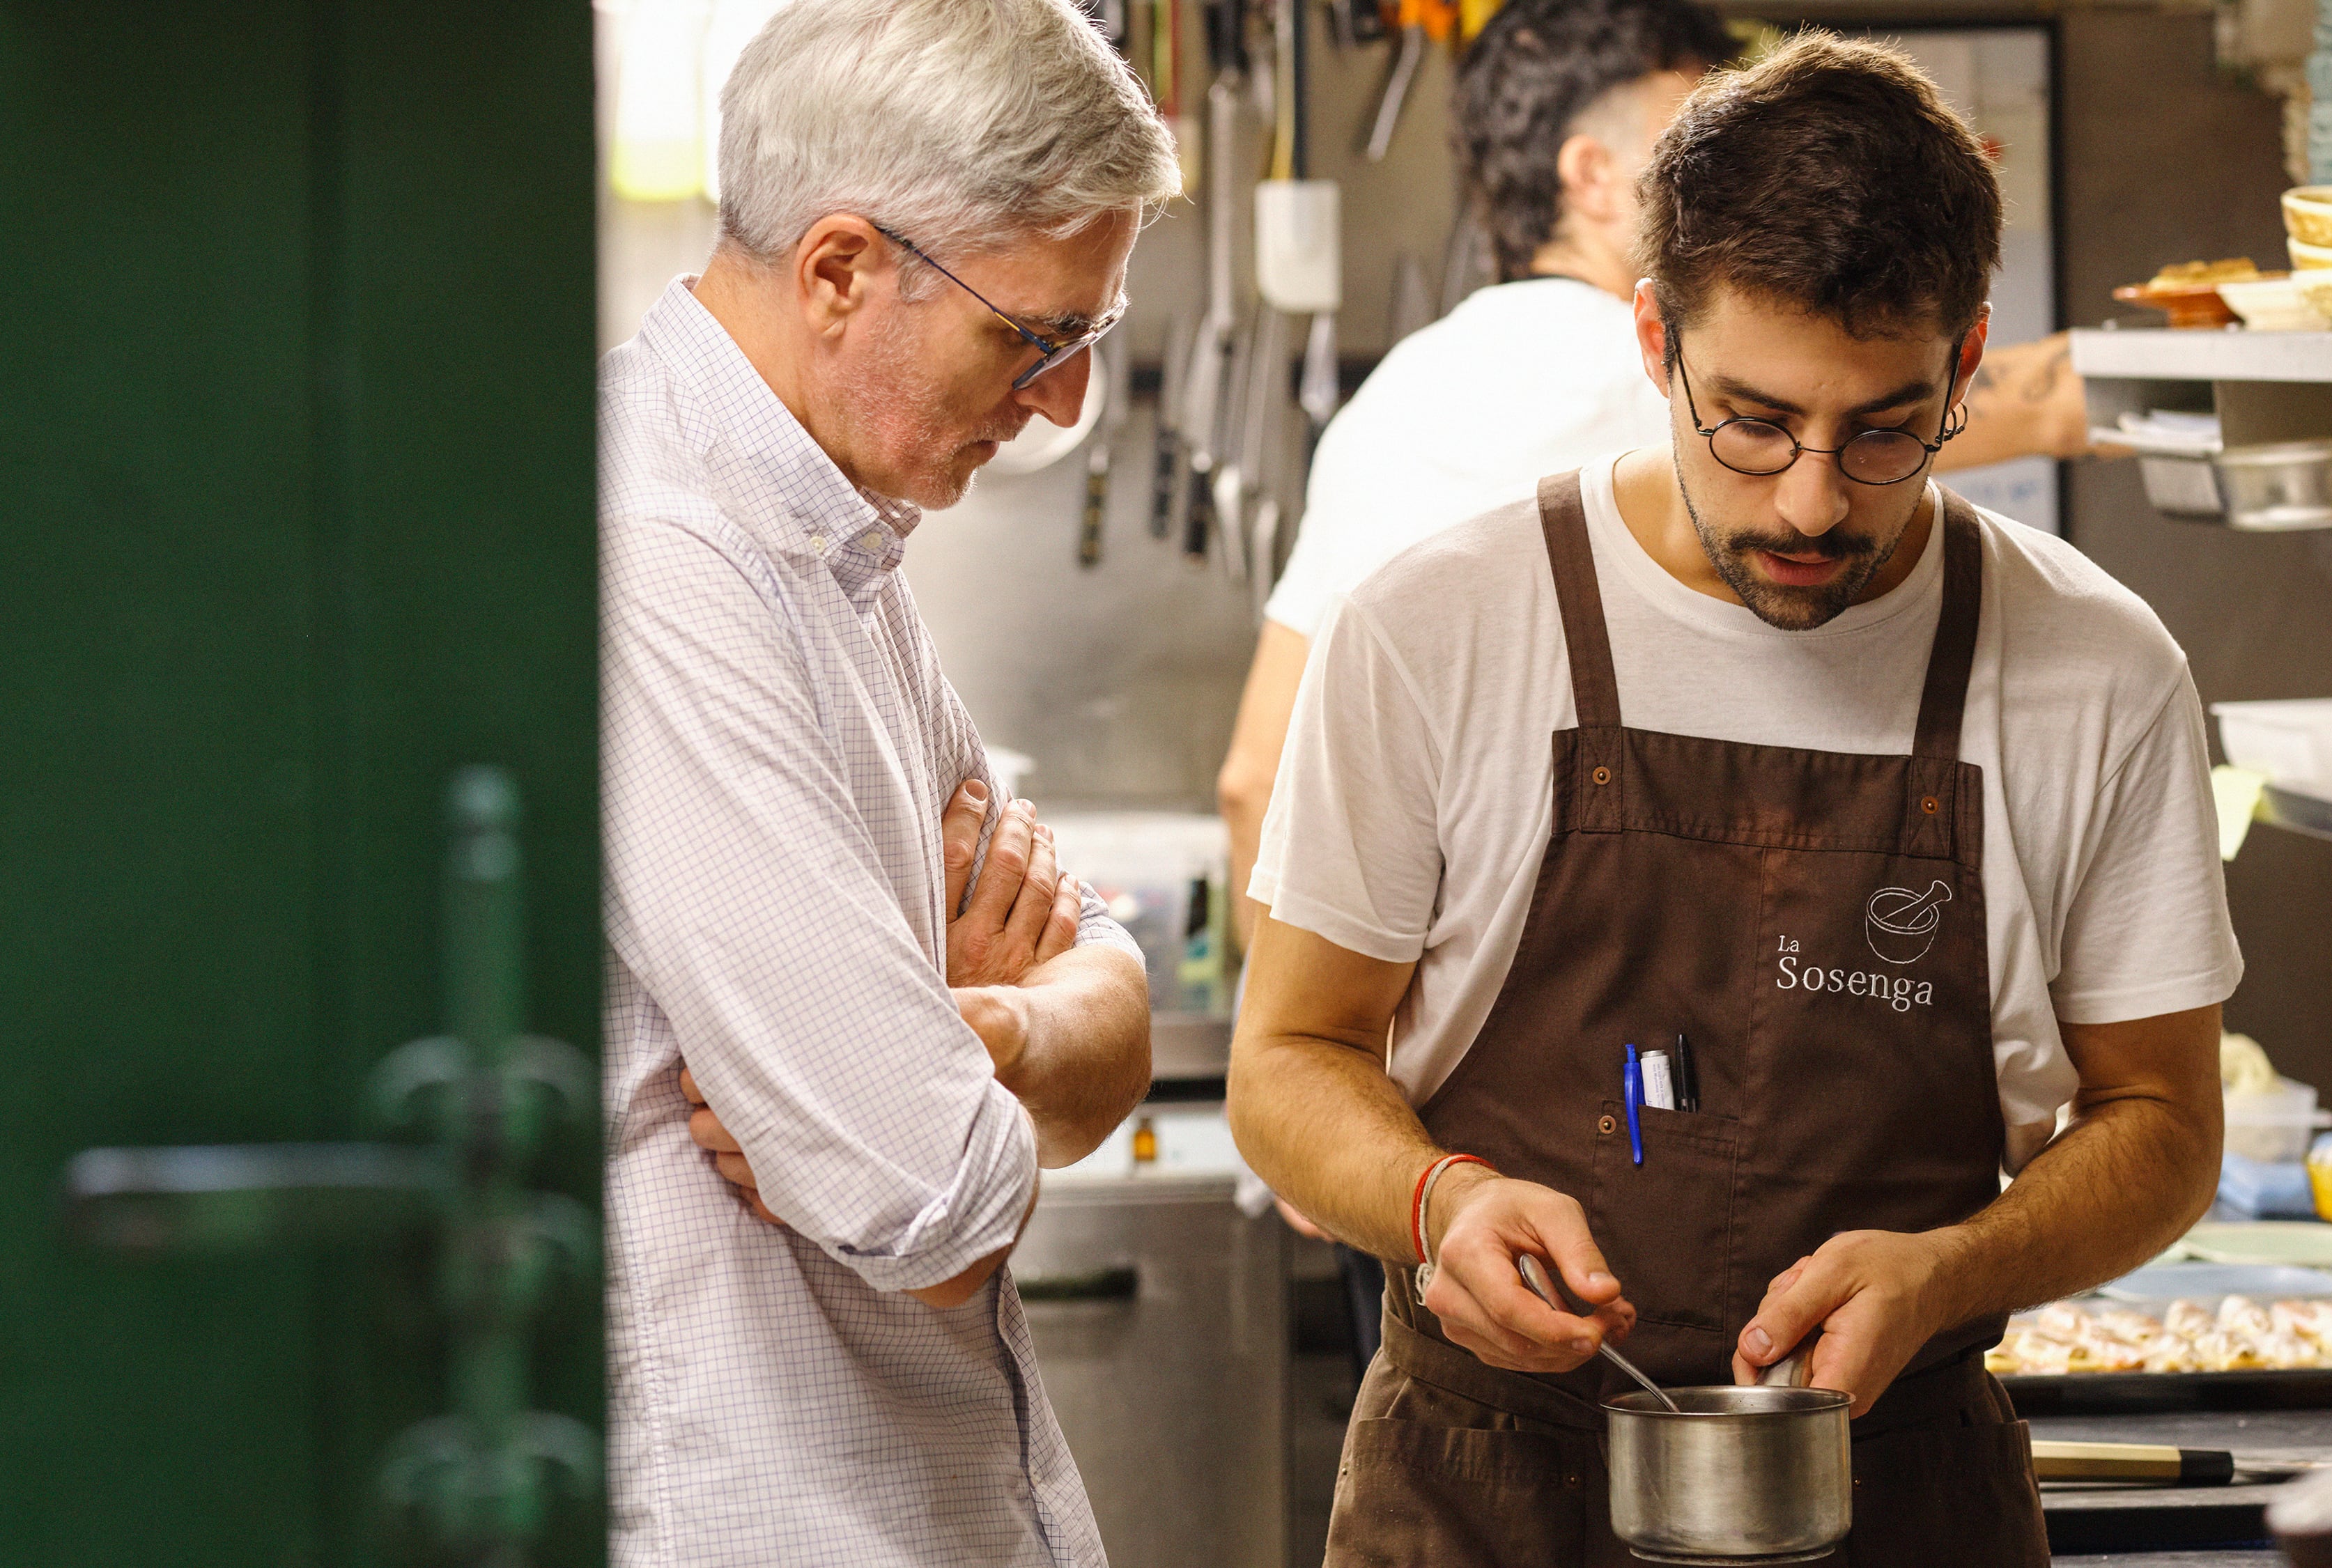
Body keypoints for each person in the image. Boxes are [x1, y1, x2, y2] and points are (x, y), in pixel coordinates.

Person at [1227, 31, 2235, 1565]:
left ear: (1967, 361)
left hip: (1901, 1493)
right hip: (1484, 1492)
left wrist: (1952, 1271)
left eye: (1885, 427)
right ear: (1651, 338)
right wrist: (1435, 1198)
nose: (1812, 500)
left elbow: (2161, 1123)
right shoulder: (1436, 627)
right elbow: (1289, 1058)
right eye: (1750, 421)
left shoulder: (2095, 669)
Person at [596, 2, 1175, 1564]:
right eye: (1030, 336)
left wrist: (984, 1026)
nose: (1056, 402)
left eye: (1085, 343)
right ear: (839, 269)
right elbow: (931, 1204)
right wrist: (988, 1079)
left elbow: (1097, 1000)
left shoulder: (836, 539)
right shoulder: (658, 556)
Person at [1217, 0, 2094, 947]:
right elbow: (1982, 399)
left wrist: (1312, 1054)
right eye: (1701, 134)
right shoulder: (1635, 380)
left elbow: (1255, 779)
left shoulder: (1403, 388)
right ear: (1595, 178)